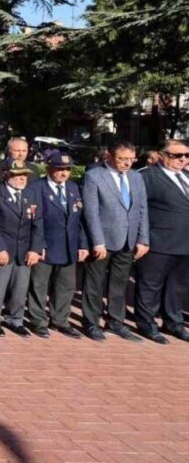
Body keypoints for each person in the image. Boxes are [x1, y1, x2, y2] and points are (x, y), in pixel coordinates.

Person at [81, 140, 149, 342]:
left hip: (128, 240)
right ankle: (91, 323)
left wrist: (143, 239)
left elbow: (142, 209)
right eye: (122, 159)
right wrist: (97, 241)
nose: (128, 163)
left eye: (131, 159)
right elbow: (91, 212)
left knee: (119, 284)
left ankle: (115, 322)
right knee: (94, 283)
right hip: (103, 240)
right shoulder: (94, 176)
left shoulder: (136, 177)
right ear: (108, 156)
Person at [0, 160, 45, 337]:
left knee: (20, 287)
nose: (21, 179)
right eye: (17, 175)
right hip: (2, 248)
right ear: (6, 175)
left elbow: (38, 223)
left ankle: (15, 319)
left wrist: (35, 249)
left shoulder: (30, 194)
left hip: (24, 250)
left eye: (24, 175)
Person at [28, 152, 88, 339]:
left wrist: (82, 244)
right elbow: (34, 220)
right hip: (46, 246)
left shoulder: (73, 188)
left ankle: (60, 320)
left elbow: (79, 220)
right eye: (60, 169)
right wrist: (38, 246)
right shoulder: (37, 188)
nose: (64, 173)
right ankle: (38, 321)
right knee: (39, 285)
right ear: (49, 168)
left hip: (68, 246)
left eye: (68, 170)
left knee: (66, 286)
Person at [135, 139, 189, 343]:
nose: (183, 159)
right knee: (150, 285)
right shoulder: (147, 177)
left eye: (186, 155)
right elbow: (138, 210)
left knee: (178, 286)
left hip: (185, 243)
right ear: (162, 155)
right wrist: (142, 238)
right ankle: (146, 323)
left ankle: (174, 323)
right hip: (158, 242)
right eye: (177, 155)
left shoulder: (186, 176)